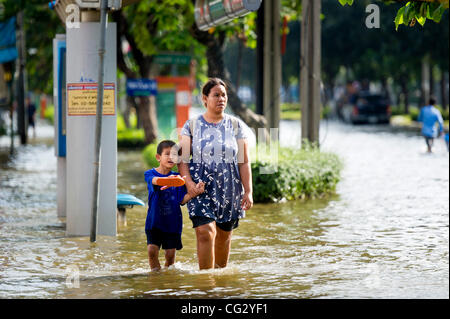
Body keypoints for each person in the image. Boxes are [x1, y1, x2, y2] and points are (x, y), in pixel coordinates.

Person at [178, 78, 253, 270]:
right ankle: (206, 284)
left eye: (224, 95)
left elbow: (243, 161)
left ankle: (219, 284)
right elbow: (183, 160)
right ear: (204, 98)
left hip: (229, 190)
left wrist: (248, 191)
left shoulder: (236, 125)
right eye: (216, 95)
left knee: (223, 236)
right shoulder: (191, 125)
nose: (221, 99)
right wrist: (189, 184)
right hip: (199, 188)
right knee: (205, 232)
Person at [144, 140, 205, 271]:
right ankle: (155, 276)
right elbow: (154, 181)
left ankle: (167, 278)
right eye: (167, 154)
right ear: (158, 157)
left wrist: (196, 191)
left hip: (173, 223)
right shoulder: (150, 174)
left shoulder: (179, 178)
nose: (171, 157)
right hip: (154, 222)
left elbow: (182, 200)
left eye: (174, 155)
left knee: (170, 255)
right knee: (151, 250)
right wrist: (171, 181)